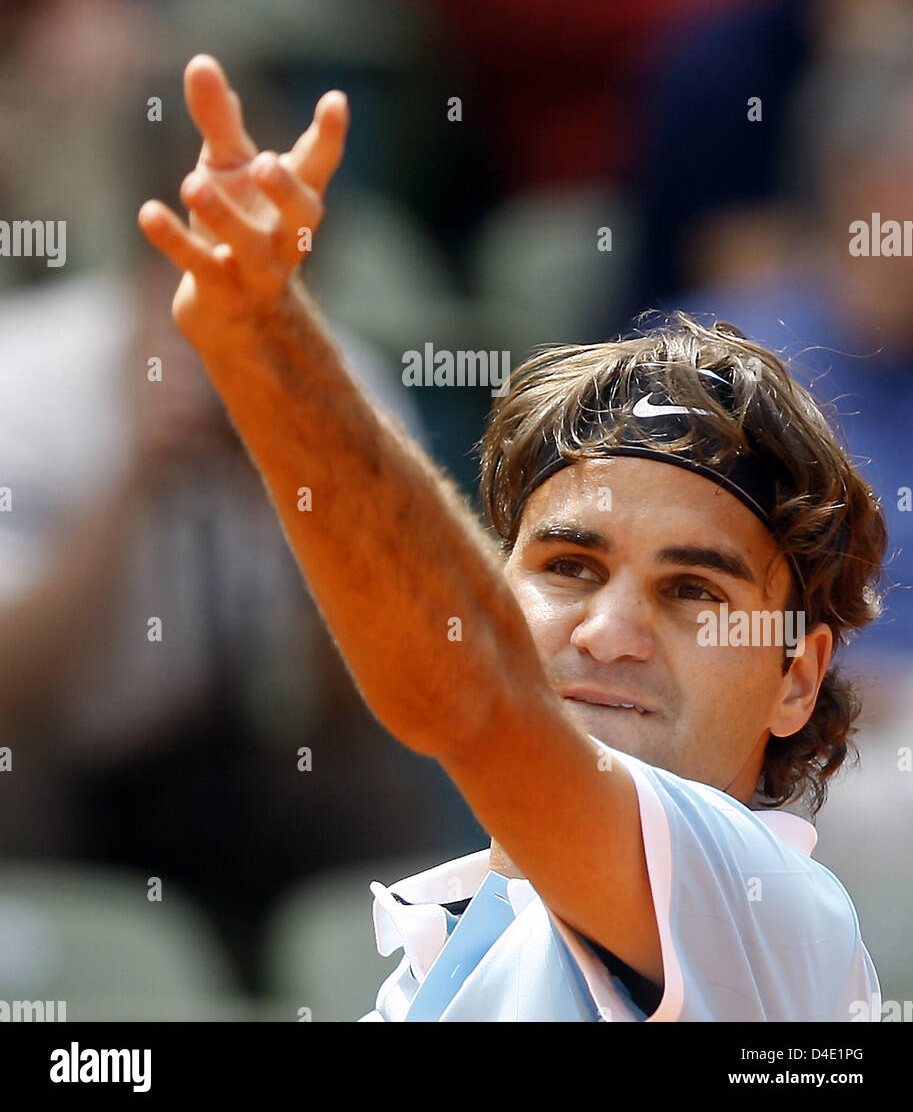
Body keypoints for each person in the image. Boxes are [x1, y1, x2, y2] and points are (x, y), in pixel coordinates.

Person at [137, 55, 887, 1022]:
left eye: (692, 590)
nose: (609, 631)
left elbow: (474, 693)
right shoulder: (441, 943)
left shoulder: (765, 906)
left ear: (795, 676)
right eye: (569, 567)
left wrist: (260, 340)